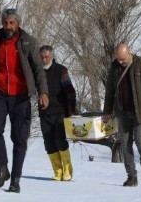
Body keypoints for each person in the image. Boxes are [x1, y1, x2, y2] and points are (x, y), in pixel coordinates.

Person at [0, 8, 49, 193]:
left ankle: (16, 179)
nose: (8, 26)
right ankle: (2, 170)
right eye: (5, 23)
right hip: (0, 94)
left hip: (21, 96)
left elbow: (38, 69)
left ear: (18, 23)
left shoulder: (28, 42)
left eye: (12, 22)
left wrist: (43, 92)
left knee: (19, 138)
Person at [102, 43, 141, 187]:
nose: (120, 62)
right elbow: (110, 91)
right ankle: (131, 176)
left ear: (129, 53)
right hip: (122, 112)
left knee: (140, 141)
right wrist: (107, 111)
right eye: (118, 59)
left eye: (122, 59)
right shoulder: (114, 67)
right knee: (125, 145)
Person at [39, 45, 77, 181]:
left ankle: (67, 169)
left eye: (46, 57)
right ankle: (57, 171)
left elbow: (70, 91)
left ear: (52, 56)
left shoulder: (61, 70)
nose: (44, 59)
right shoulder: (37, 72)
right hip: (44, 113)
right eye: (42, 57)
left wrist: (71, 111)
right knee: (49, 143)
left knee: (60, 141)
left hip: (60, 113)